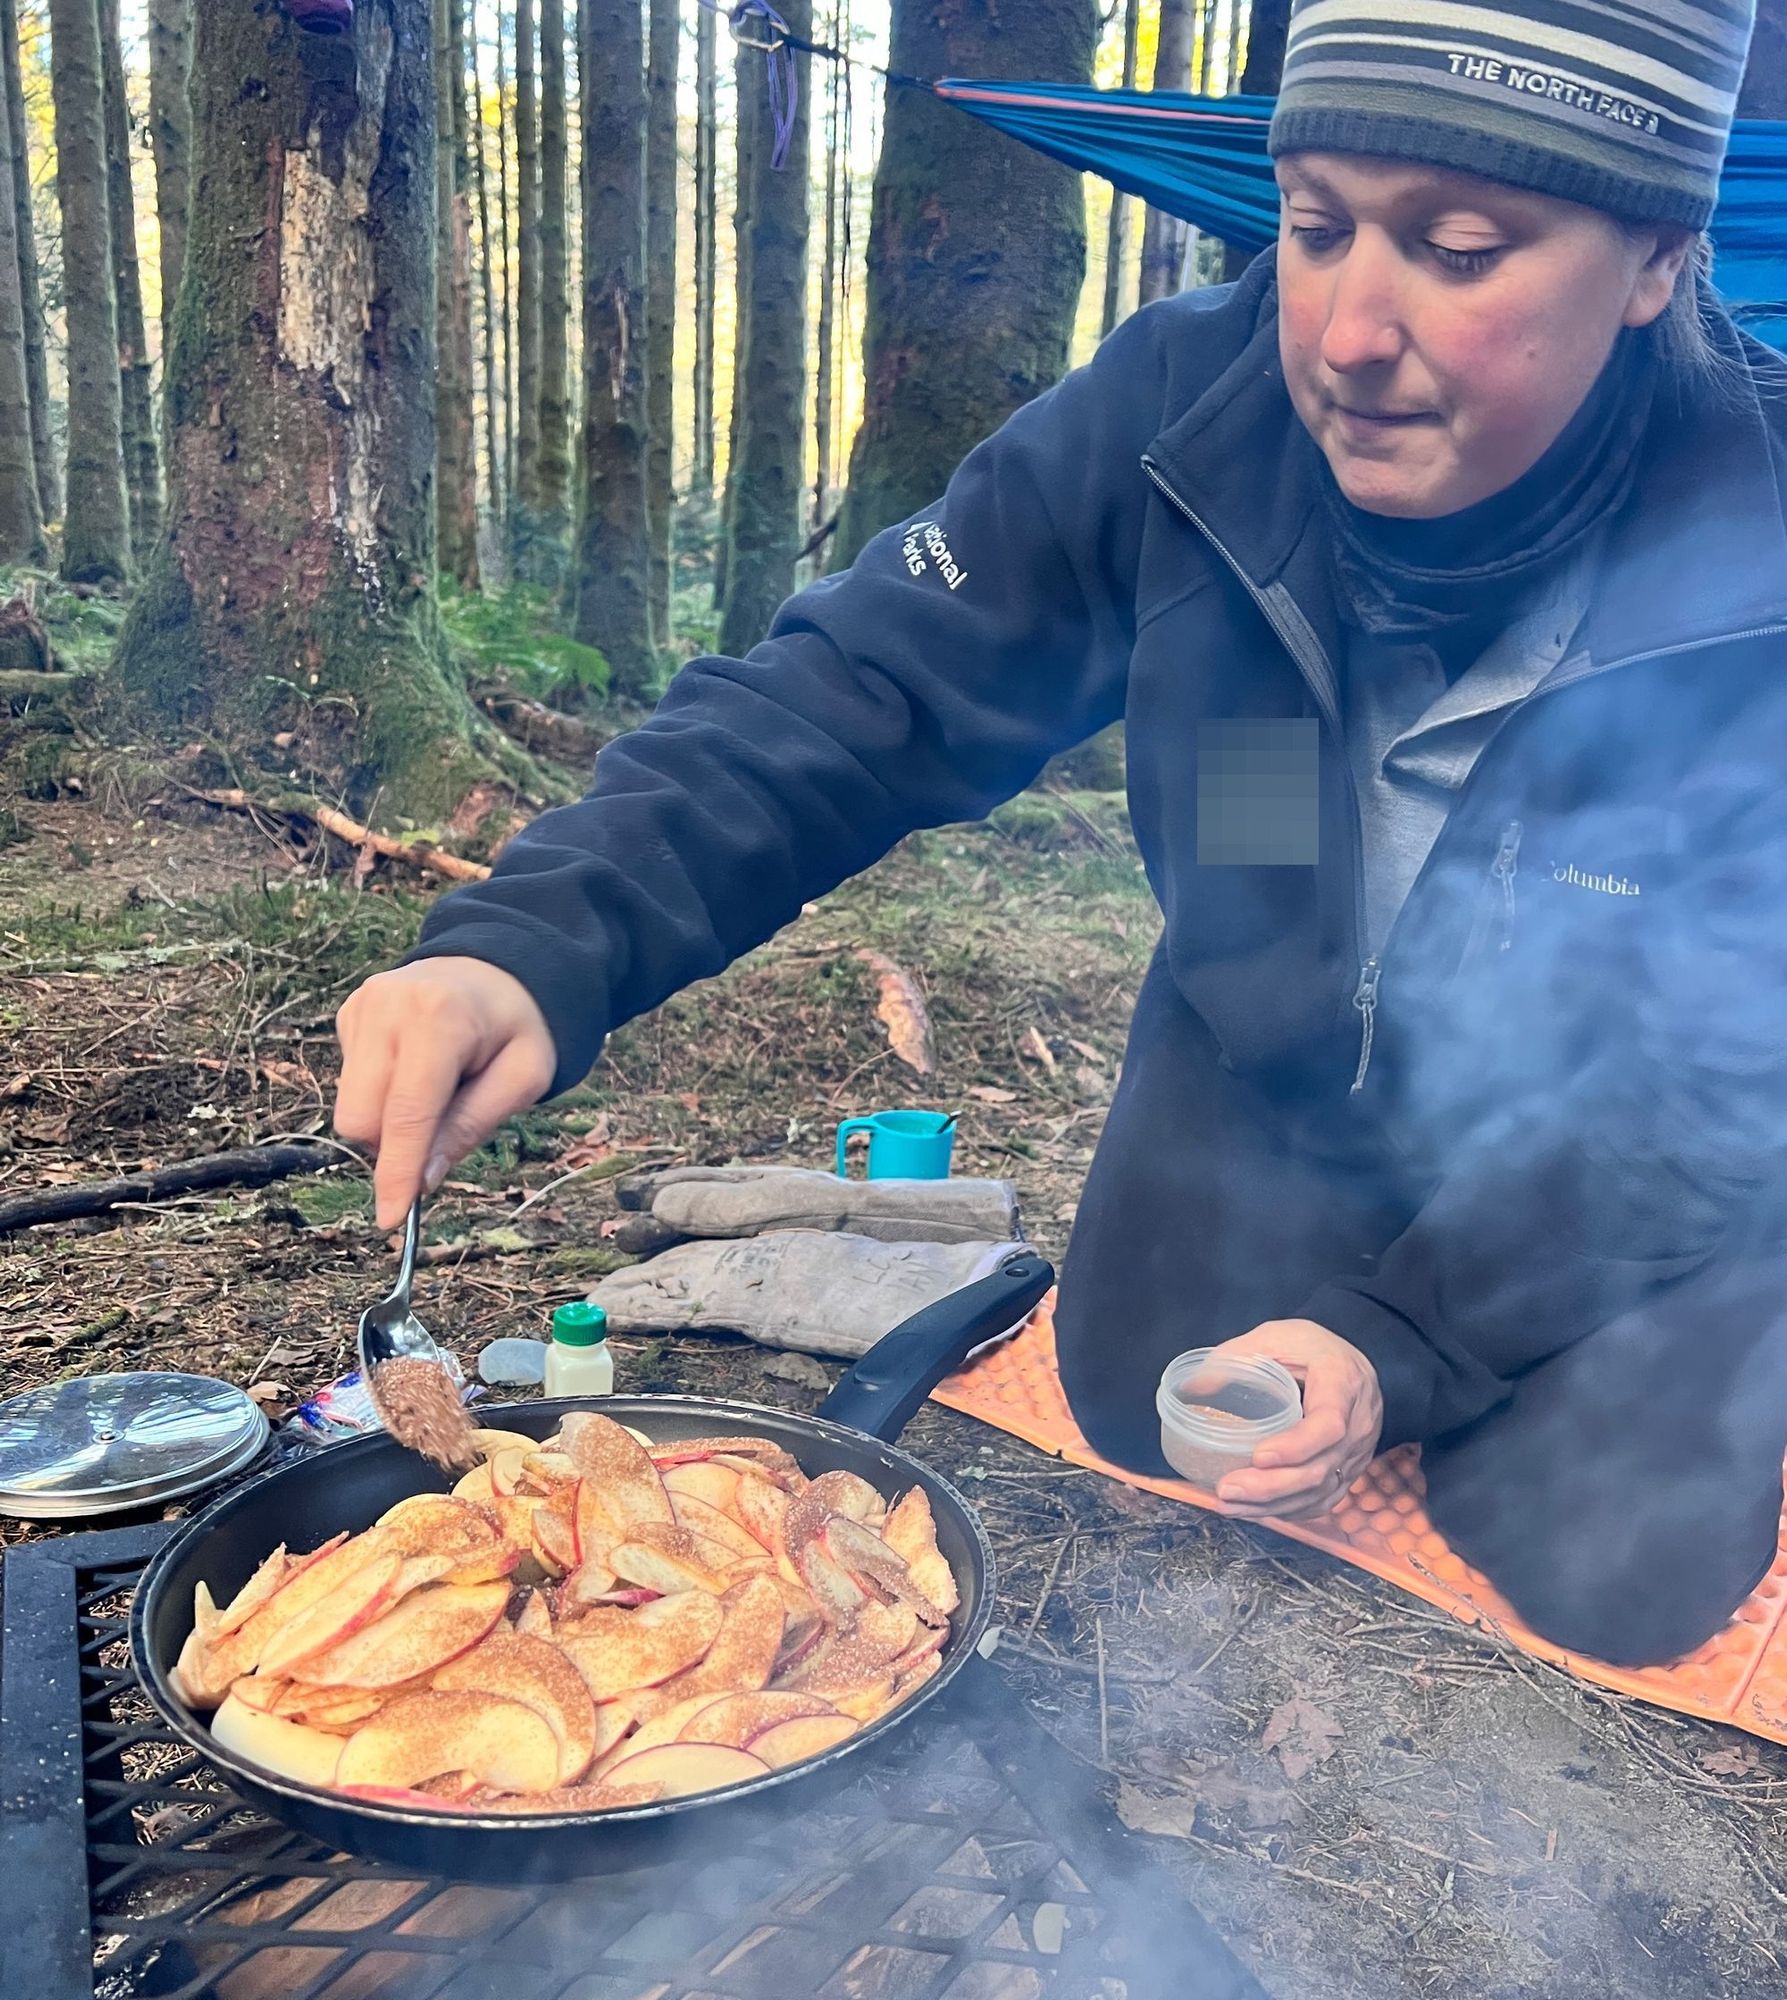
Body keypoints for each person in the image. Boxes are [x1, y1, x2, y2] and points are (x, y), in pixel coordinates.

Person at [335, 0, 1787, 1668]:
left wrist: (1398, 1346)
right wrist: (539, 943)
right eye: (1315, 228)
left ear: (1658, 254)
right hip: (1274, 1058)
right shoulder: (1185, 416)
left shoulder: (1759, 561)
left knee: (1617, 1569)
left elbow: (1718, 1083)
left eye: (1460, 253)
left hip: (1614, 1134)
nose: (1346, 336)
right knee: (1144, 1395)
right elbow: (863, 689)